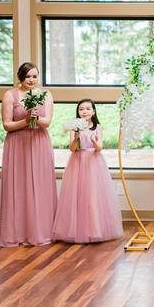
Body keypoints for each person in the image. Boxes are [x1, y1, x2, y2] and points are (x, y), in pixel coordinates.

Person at [0, 62, 57, 247]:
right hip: (17, 144)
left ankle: (40, 232)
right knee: (18, 186)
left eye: (34, 76)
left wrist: (36, 119)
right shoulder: (10, 95)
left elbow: (47, 121)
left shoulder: (46, 94)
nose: (31, 80)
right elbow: (7, 124)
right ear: (20, 77)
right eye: (27, 76)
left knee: (39, 186)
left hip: (39, 142)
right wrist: (26, 121)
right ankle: (17, 234)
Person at [52, 100, 123, 243]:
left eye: (87, 109)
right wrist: (77, 137)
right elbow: (72, 148)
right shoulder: (74, 128)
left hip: (94, 162)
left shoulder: (98, 127)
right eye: (81, 109)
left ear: (94, 111)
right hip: (77, 161)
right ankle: (77, 230)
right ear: (78, 112)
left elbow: (99, 147)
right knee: (77, 195)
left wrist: (95, 141)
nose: (84, 111)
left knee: (93, 195)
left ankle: (95, 230)